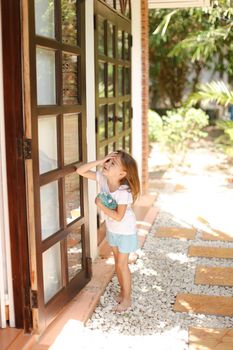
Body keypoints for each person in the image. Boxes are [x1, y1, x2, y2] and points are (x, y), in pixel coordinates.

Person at [76, 150, 140, 312]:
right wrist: (100, 160)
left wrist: (100, 205)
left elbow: (119, 216)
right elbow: (80, 171)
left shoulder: (123, 192)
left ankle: (127, 298)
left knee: (121, 264)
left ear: (122, 173)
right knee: (117, 264)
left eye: (112, 163)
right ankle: (122, 292)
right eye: (108, 161)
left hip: (125, 231)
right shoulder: (103, 179)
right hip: (113, 229)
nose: (107, 164)